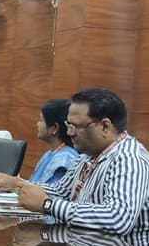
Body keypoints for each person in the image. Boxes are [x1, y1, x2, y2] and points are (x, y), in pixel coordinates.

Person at [14, 88, 149, 235]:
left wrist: (47, 204)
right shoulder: (88, 155)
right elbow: (61, 192)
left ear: (105, 126)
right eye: (69, 125)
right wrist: (17, 185)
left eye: (76, 126)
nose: (69, 133)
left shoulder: (128, 158)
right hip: (84, 244)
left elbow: (117, 219)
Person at [0, 99, 80, 189]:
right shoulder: (49, 154)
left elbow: (49, 193)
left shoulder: (65, 159)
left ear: (54, 128)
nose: (37, 124)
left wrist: (16, 183)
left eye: (41, 120)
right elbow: (34, 185)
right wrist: (9, 182)